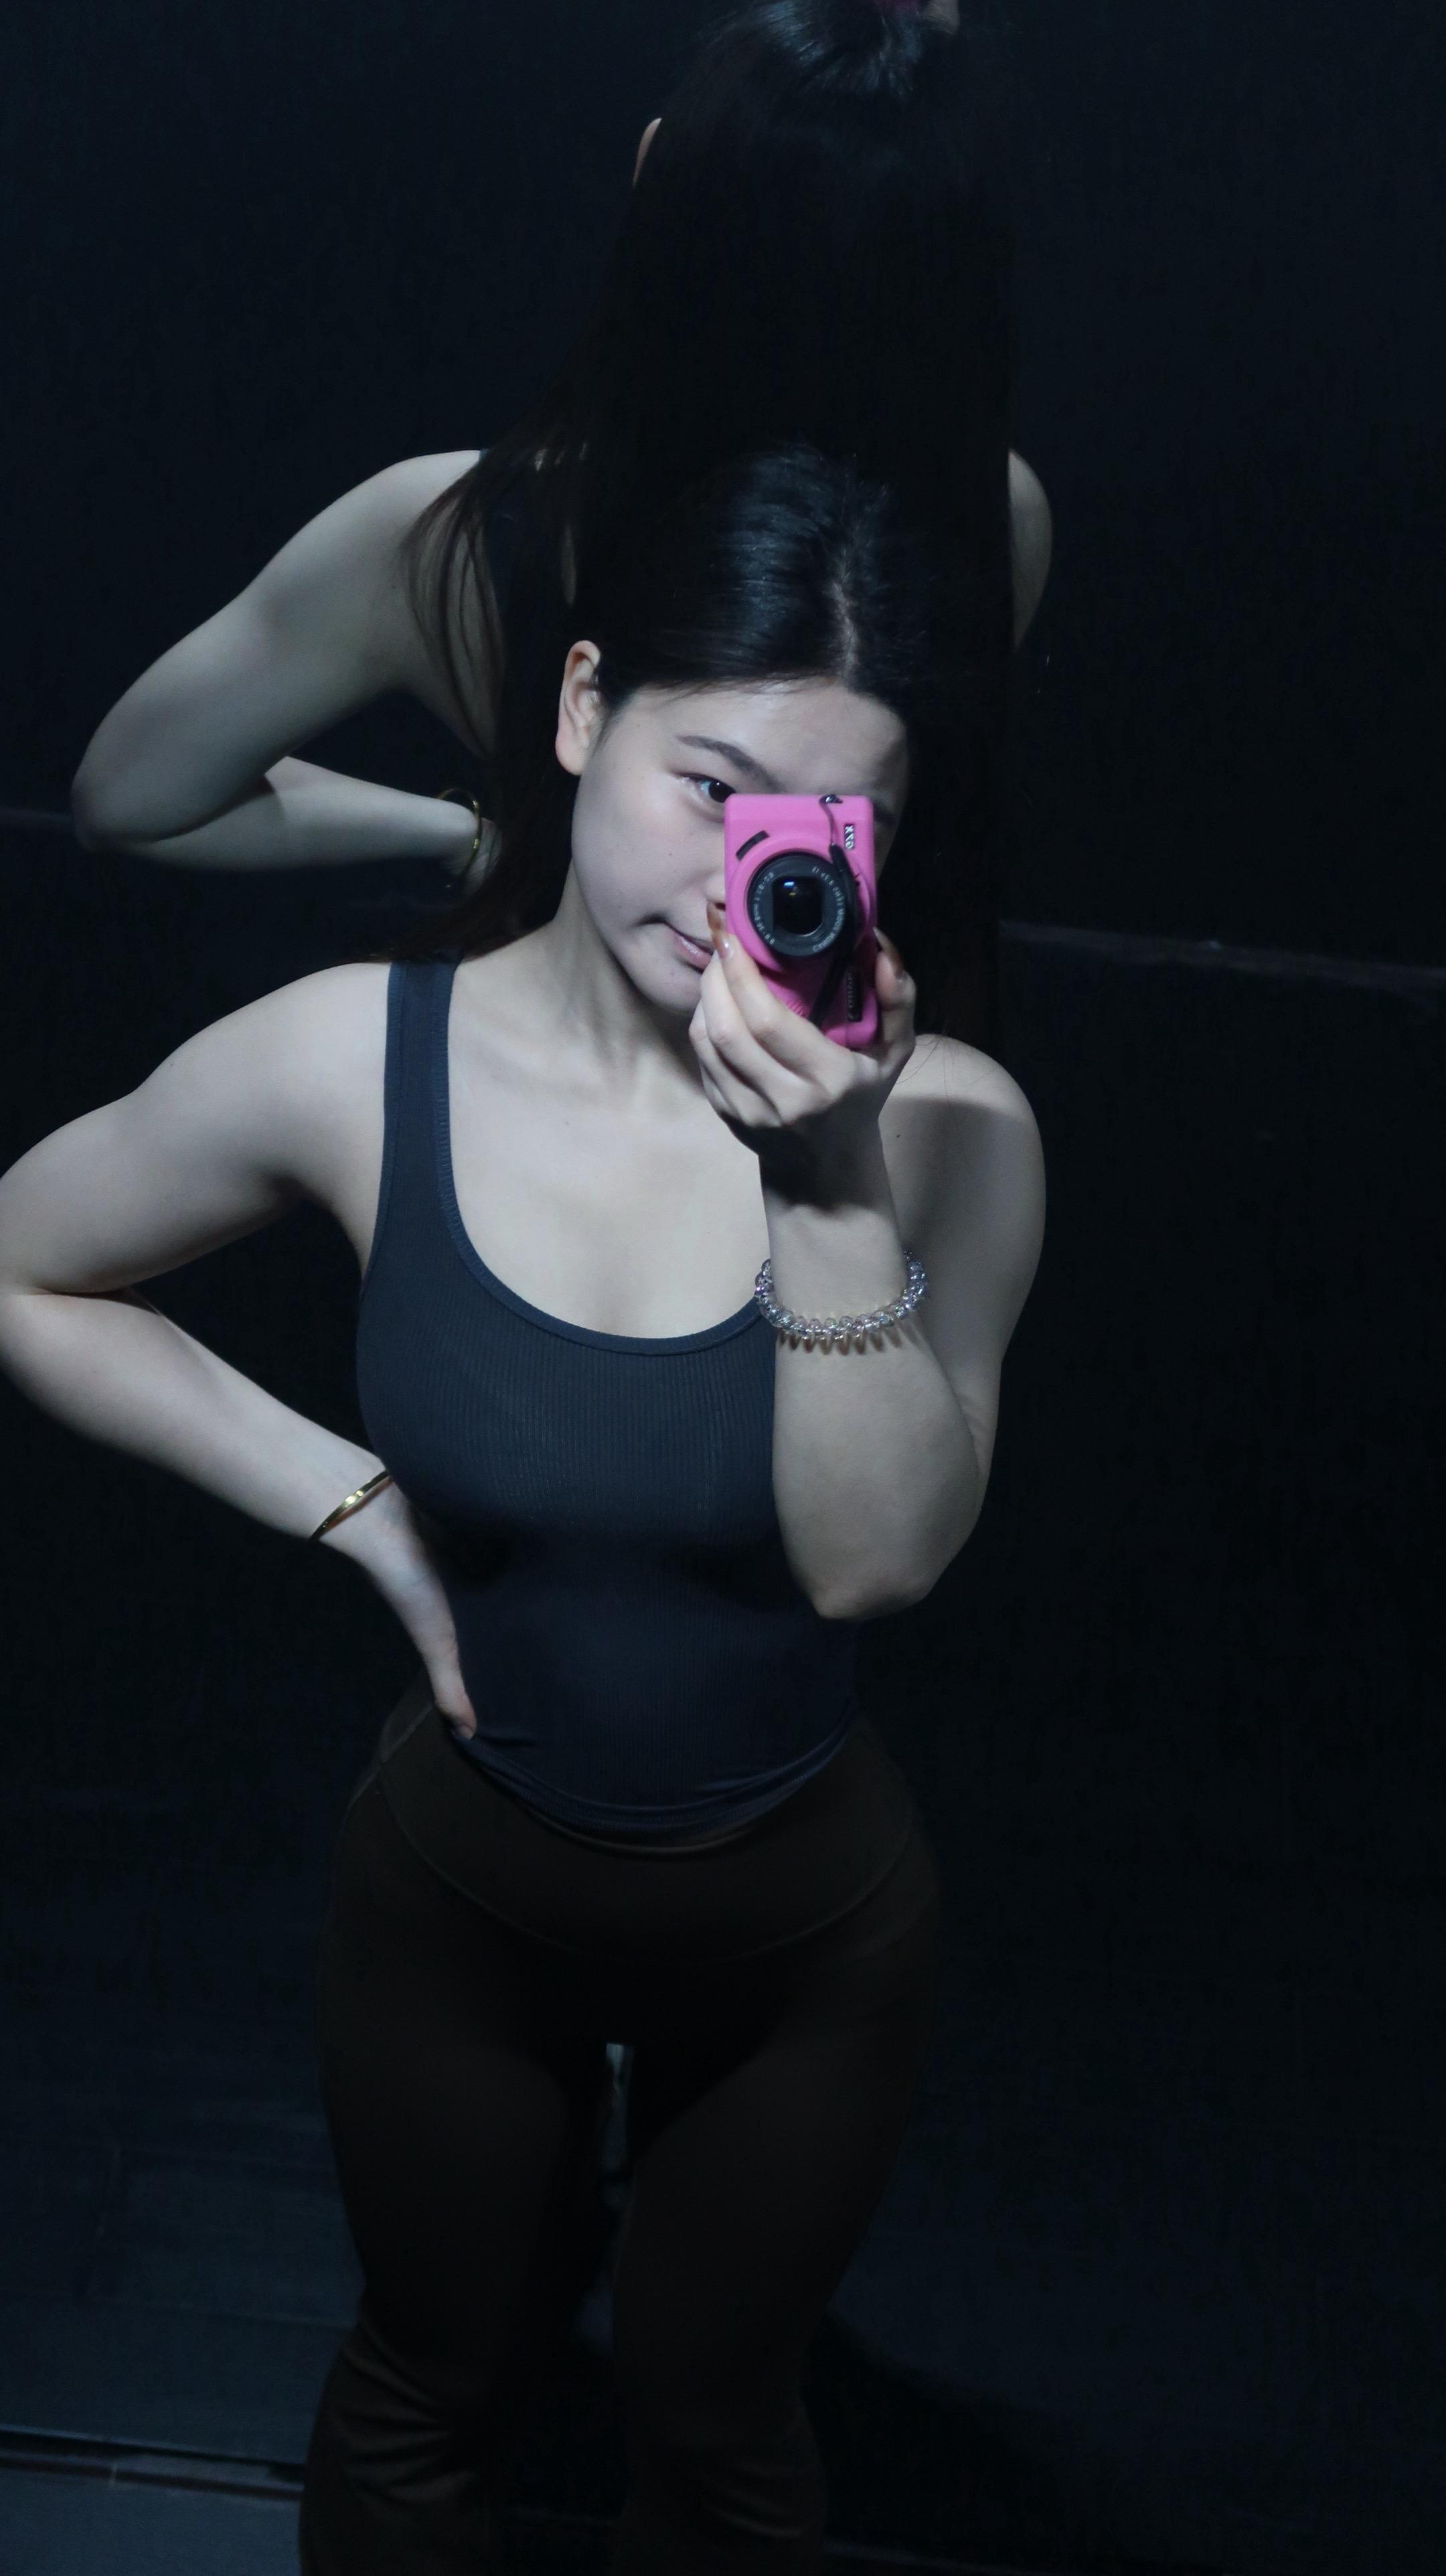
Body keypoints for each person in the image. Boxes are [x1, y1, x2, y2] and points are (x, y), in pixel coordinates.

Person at [0, 441, 1047, 2571]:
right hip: (461, 1910)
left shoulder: (948, 1125)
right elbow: (23, 1257)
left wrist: (828, 1185)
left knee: (720, 2430)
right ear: (579, 710)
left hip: (802, 1941)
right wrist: (351, 1501)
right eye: (705, 782)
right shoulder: (360, 1058)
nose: (741, 873)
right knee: (426, 2391)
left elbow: (876, 1559)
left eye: (821, 822)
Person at [69, 0, 1051, 1058]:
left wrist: (465, 835)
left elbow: (133, 794)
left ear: (652, 170)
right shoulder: (994, 520)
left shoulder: (460, 541)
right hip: (871, 1099)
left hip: (557, 1103)